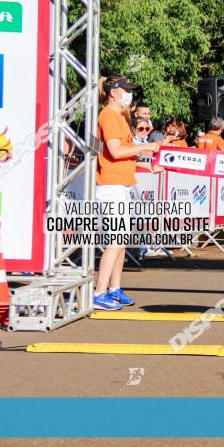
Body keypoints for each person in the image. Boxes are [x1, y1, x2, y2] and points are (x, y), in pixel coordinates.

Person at [93, 75, 167, 310]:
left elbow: (123, 153)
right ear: (113, 92)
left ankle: (114, 288)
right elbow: (115, 151)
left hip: (120, 184)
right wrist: (147, 146)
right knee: (116, 240)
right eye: (125, 89)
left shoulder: (119, 117)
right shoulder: (109, 116)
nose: (129, 93)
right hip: (111, 185)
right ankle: (99, 292)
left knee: (121, 241)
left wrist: (147, 164)